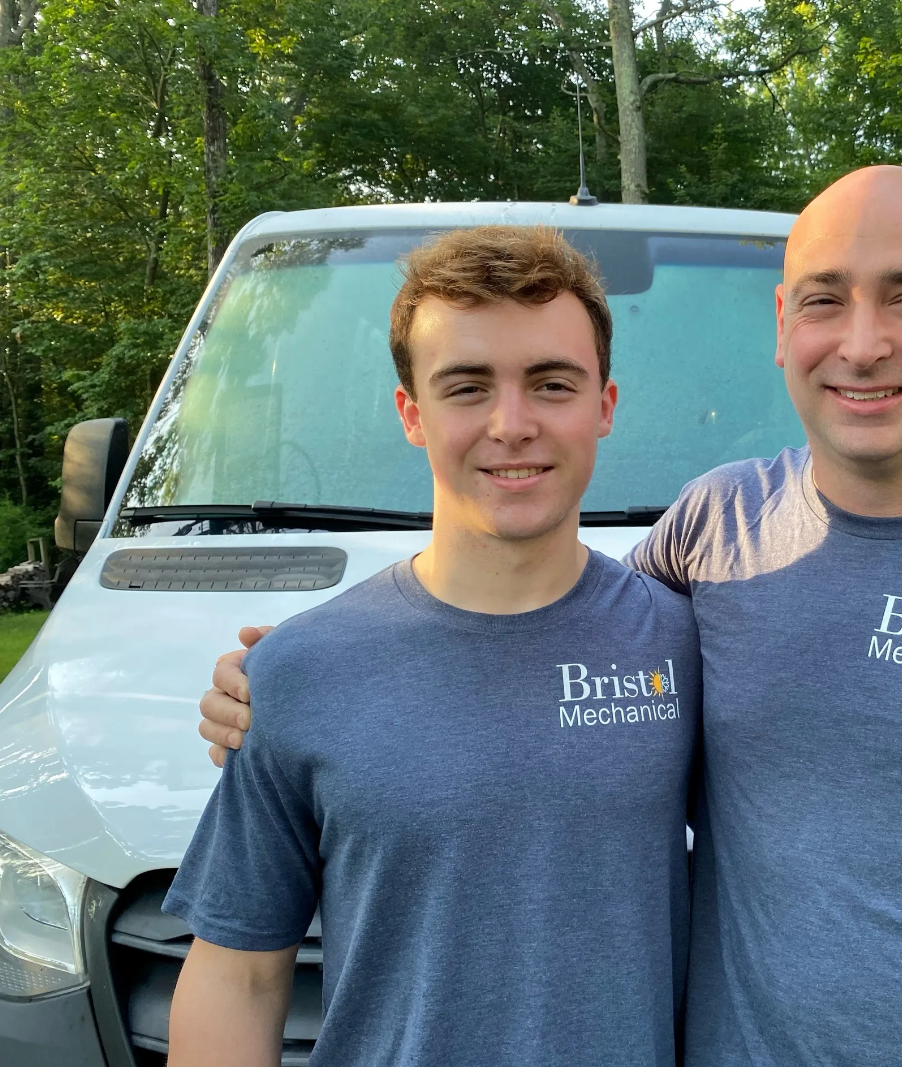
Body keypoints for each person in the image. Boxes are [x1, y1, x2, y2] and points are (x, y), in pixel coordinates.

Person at [201, 165, 902, 1065]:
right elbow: (536, 633)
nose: (862, 343)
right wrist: (292, 682)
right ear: (783, 326)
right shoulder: (713, 530)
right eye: (825, 300)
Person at [167, 226, 700, 1067]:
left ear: (604, 405)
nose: (512, 424)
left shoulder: (687, 647)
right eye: (467, 387)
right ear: (412, 413)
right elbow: (240, 977)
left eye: (551, 383)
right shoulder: (299, 673)